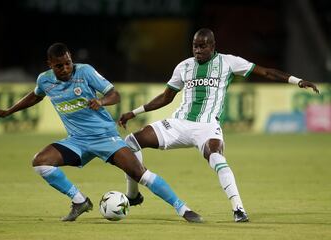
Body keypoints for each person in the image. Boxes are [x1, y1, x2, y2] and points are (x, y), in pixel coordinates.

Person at [118, 28, 320, 223]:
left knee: (216, 158)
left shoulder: (228, 62)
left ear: (213, 45)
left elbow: (266, 72)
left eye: (203, 46)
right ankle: (133, 195)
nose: (198, 51)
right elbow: (165, 97)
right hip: (179, 124)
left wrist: (298, 81)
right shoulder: (184, 66)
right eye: (195, 46)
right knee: (131, 141)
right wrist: (134, 113)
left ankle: (238, 209)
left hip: (207, 127)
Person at [0, 42, 203, 223]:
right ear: (50, 65)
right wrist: (8, 112)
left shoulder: (85, 72)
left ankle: (183, 209)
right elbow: (35, 96)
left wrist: (101, 101)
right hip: (77, 141)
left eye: (68, 63)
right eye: (59, 66)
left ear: (71, 59)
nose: (65, 69)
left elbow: (115, 95)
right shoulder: (44, 80)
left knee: (141, 174)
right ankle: (80, 201)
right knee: (40, 161)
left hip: (105, 138)